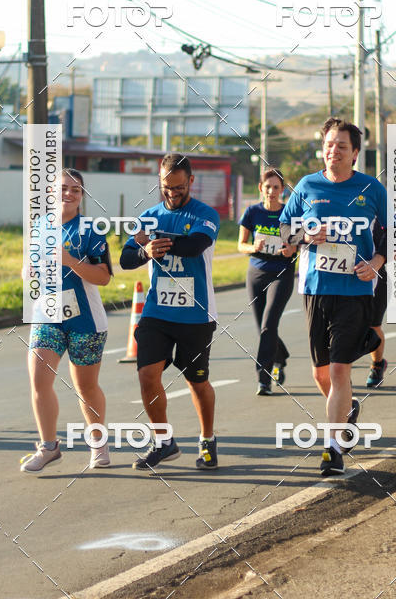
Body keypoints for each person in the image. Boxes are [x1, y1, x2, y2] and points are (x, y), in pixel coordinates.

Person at [280, 118, 386, 477]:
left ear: (355, 153)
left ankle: (333, 448)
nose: (333, 150)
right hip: (315, 288)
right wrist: (306, 235)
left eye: (341, 145)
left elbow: (392, 232)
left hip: (354, 290)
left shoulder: (371, 188)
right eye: (328, 144)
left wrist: (376, 261)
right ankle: (348, 409)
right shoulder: (307, 186)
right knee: (321, 372)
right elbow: (283, 231)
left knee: (341, 368)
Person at [120, 153, 220, 471]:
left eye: (178, 187)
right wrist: (143, 251)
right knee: (147, 375)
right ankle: (164, 442)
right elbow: (125, 259)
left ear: (191, 181)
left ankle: (207, 439)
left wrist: (158, 244)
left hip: (196, 315)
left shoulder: (206, 214)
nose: (172, 193)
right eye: (166, 187)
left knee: (197, 382)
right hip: (157, 312)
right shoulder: (148, 216)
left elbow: (195, 246)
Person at [20, 169, 112, 473]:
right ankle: (49, 446)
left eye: (75, 189)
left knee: (85, 386)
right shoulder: (39, 227)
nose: (68, 193)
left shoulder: (90, 230)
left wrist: (71, 261)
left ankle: (98, 443)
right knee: (38, 379)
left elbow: (104, 277)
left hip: (85, 319)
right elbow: (29, 269)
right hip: (47, 316)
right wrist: (30, 274)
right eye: (62, 188)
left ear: (82, 196)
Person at [238, 168, 297, 395]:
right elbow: (241, 244)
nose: (271, 191)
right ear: (261, 188)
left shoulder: (289, 214)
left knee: (268, 325)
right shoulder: (252, 212)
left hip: (281, 273)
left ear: (282, 190)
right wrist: (253, 247)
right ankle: (280, 357)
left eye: (276, 187)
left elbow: (298, 244)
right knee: (262, 328)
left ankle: (264, 379)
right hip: (256, 273)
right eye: (267, 187)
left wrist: (290, 250)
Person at [366, 218, 388, 388]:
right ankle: (343, 371)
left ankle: (377, 364)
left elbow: (393, 237)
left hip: (377, 275)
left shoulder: (380, 213)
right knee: (346, 325)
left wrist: (379, 259)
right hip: (349, 273)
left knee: (373, 325)